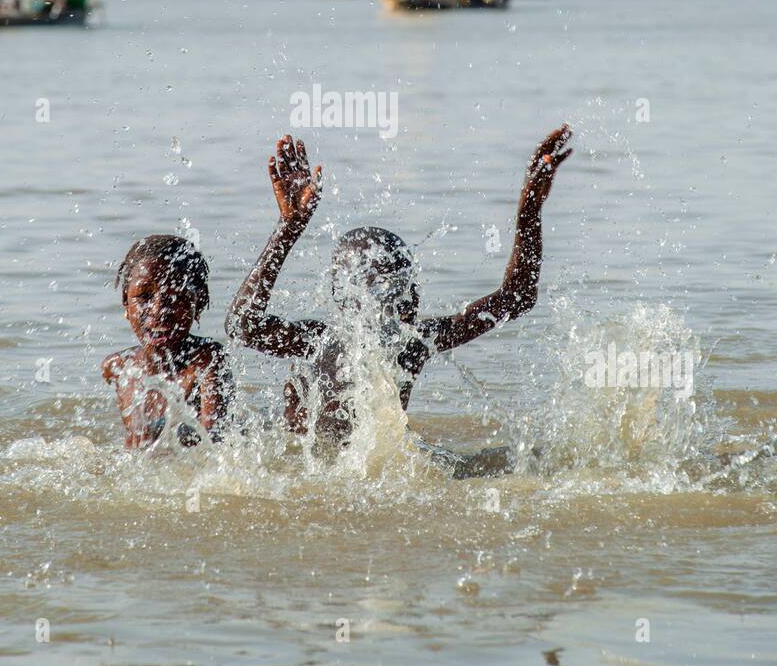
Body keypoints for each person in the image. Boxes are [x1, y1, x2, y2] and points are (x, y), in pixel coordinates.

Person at [225, 129, 572, 456]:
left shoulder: (412, 342)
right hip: (320, 469)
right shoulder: (317, 343)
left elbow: (518, 296)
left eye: (407, 283)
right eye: (385, 286)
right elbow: (241, 327)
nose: (406, 298)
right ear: (344, 295)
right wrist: (287, 229)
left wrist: (530, 210)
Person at [102, 235, 232, 448]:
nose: (159, 311)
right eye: (144, 296)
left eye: (177, 296)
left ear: (198, 304)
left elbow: (213, 439)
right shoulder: (117, 367)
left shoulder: (206, 360)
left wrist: (156, 435)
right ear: (126, 302)